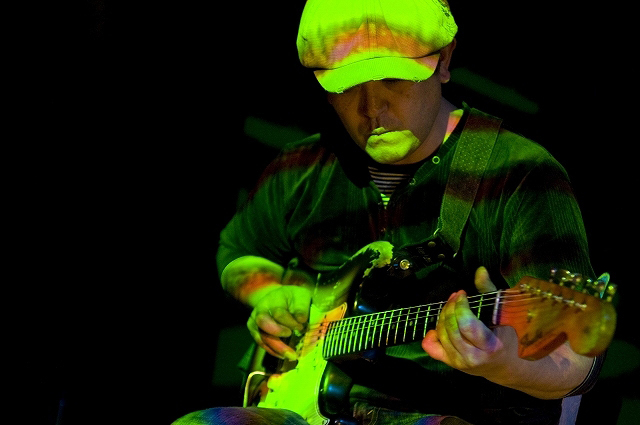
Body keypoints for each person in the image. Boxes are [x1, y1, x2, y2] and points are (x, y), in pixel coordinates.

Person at [173, 0, 606, 424]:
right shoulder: (301, 166)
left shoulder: (520, 174)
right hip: (301, 408)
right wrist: (269, 294)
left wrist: (504, 364)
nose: (371, 108)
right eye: (346, 88)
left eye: (394, 80)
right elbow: (237, 251)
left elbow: (577, 357)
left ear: (443, 61)